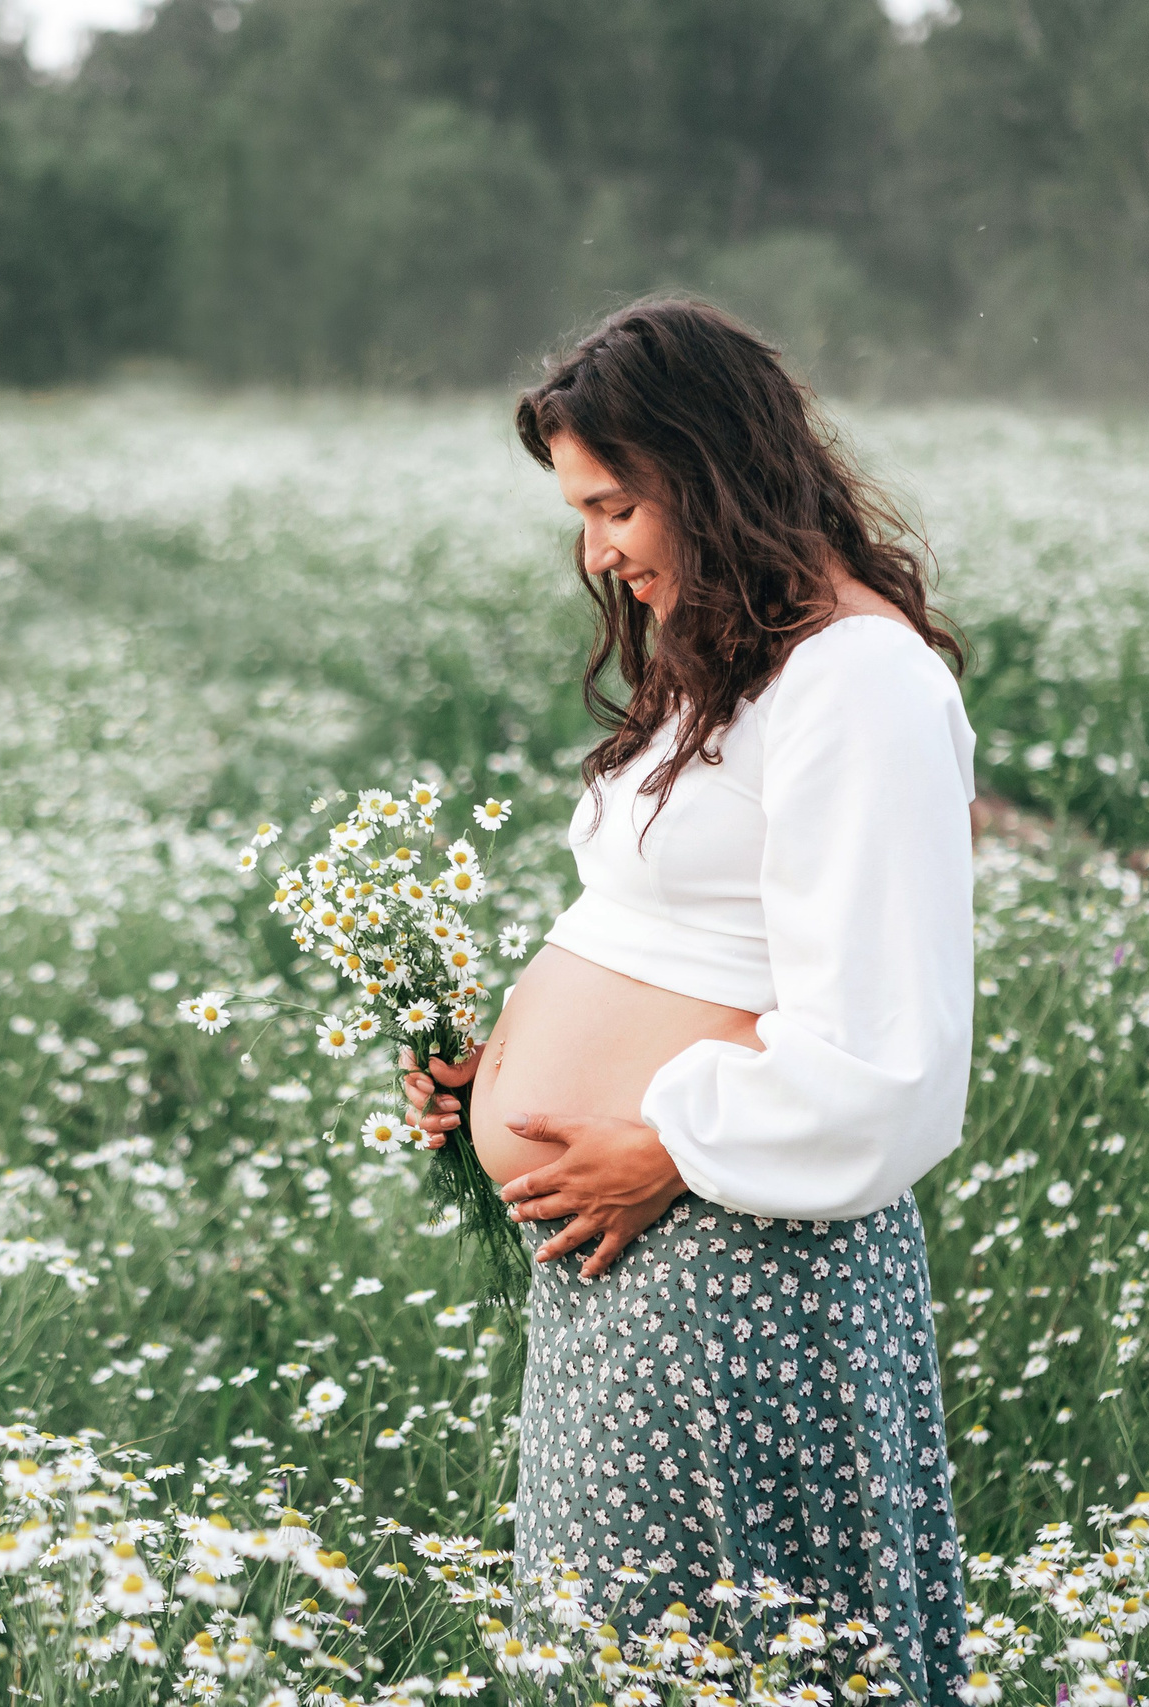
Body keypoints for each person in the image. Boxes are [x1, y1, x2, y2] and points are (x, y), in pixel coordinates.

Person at [399, 297, 975, 1695]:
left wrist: (666, 1143)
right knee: (634, 1652)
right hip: (640, 1261)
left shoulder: (860, 681)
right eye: (580, 515)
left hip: (744, 1270)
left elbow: (891, 1048)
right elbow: (671, 930)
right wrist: (498, 1074)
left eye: (617, 507)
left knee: (737, 1656)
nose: (597, 551)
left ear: (713, 476)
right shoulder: (729, 657)